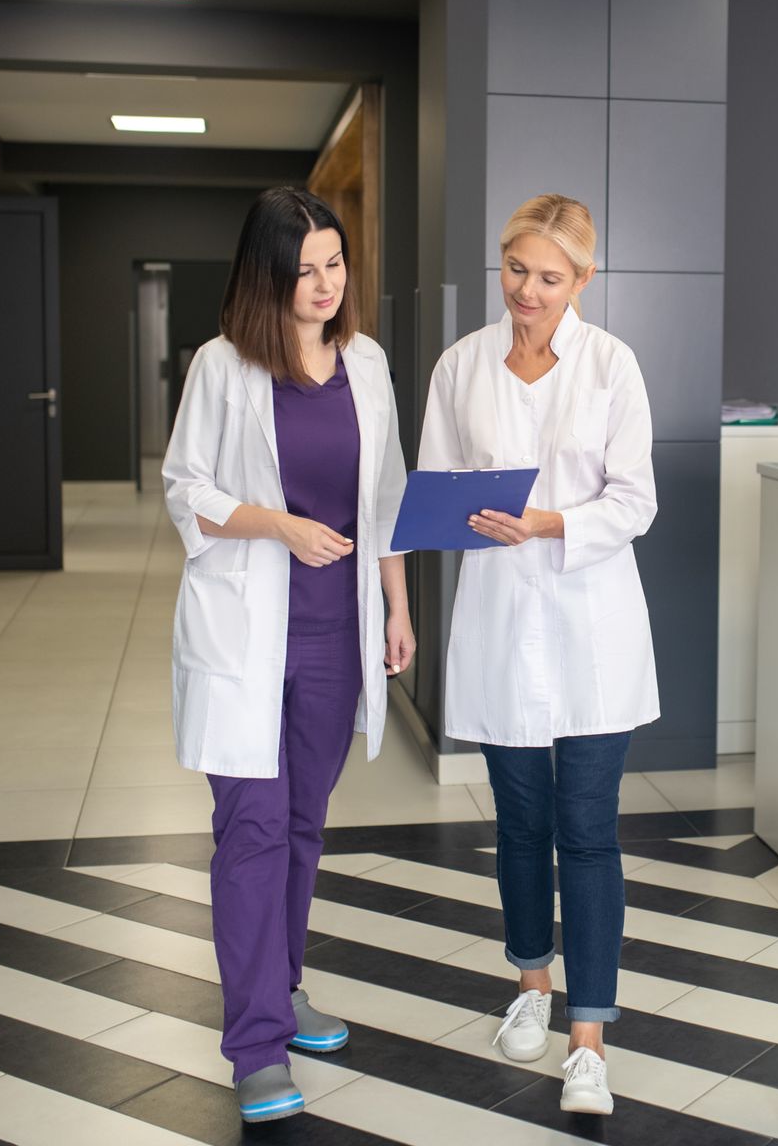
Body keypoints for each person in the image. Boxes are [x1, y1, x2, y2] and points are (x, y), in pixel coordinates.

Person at [162, 187, 414, 1123]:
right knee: (254, 833)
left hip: (334, 634)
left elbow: (384, 497)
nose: (325, 285)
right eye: (305, 269)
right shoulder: (223, 368)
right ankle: (256, 1042)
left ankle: (286, 982)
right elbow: (185, 490)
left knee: (304, 826)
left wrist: (395, 608)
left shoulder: (370, 364)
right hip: (243, 633)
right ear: (267, 274)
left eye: (336, 264)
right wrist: (279, 526)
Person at [417, 193, 658, 1117]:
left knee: (588, 832)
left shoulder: (611, 367)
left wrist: (551, 520)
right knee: (519, 826)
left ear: (583, 281)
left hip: (592, 626)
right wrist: (459, 520)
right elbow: (433, 489)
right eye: (514, 269)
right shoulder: (461, 366)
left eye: (548, 278)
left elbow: (634, 503)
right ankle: (529, 987)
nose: (526, 291)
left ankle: (588, 1040)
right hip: (497, 620)